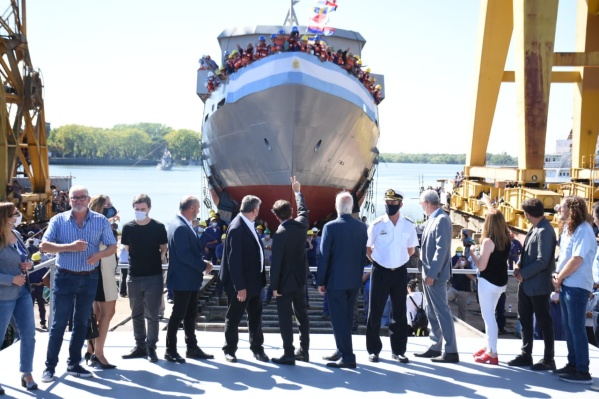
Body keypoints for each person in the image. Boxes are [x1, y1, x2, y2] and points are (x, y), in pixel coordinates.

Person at [39, 186, 117, 382]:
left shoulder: (100, 221)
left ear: (88, 199)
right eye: (75, 198)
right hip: (65, 277)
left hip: (90, 277)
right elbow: (44, 245)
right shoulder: (58, 220)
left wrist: (99, 254)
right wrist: (69, 247)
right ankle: (49, 367)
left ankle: (74, 364)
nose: (79, 201)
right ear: (70, 200)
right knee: (58, 324)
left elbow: (112, 245)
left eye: (82, 197)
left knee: (81, 323)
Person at [365, 188, 418, 364]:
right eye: (387, 202)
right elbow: (368, 249)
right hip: (380, 271)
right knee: (375, 311)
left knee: (399, 312)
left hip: (400, 272)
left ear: (401, 204)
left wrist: (397, 261)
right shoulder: (377, 224)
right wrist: (380, 263)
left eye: (394, 203)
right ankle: (373, 350)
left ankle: (399, 350)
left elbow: (411, 250)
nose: (390, 205)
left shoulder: (409, 225)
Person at [317, 192, 368, 369]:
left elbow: (324, 257)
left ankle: (347, 356)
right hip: (354, 281)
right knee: (346, 318)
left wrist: (321, 281)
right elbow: (364, 256)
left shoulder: (330, 227)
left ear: (337, 207)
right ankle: (341, 349)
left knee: (338, 318)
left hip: (335, 281)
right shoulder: (362, 227)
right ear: (352, 206)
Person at [508, 198, 557, 370]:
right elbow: (527, 252)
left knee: (544, 322)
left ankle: (549, 359)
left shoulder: (545, 231)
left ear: (528, 214)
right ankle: (526, 354)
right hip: (527, 285)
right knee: (525, 320)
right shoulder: (535, 228)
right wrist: (519, 264)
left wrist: (523, 274)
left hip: (537, 286)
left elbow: (542, 261)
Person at [551, 196, 596, 384]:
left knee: (576, 328)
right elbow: (566, 257)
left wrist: (559, 277)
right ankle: (573, 364)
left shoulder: (584, 231)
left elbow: (577, 259)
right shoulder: (572, 230)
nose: (558, 210)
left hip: (576, 286)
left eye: (561, 207)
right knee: (569, 328)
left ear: (572, 209)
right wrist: (559, 276)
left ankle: (582, 370)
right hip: (568, 284)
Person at [219, 195, 269, 363]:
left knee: (256, 316)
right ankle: (229, 349)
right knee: (234, 317)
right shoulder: (237, 228)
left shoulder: (249, 224)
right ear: (254, 210)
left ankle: (257, 348)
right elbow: (234, 261)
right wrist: (240, 287)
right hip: (241, 285)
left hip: (254, 282)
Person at [166, 196, 214, 363]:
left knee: (190, 313)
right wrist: (203, 265)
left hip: (188, 279)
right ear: (192, 208)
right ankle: (170, 349)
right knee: (179, 314)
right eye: (198, 207)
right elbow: (184, 254)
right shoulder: (180, 226)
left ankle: (191, 347)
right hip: (183, 279)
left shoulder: (178, 223)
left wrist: (202, 263)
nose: (199, 210)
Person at [120, 194, 168, 363]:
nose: (140, 212)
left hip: (153, 276)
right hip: (134, 276)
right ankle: (140, 345)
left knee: (153, 314)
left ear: (149, 209)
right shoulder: (128, 227)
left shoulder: (158, 227)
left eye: (143, 209)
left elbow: (163, 248)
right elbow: (126, 247)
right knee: (136, 313)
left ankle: (151, 347)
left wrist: (154, 259)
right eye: (137, 209)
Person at [269, 177, 310, 365]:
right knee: (302, 316)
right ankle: (305, 351)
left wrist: (274, 287)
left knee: (285, 319)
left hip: (284, 284)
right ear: (291, 212)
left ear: (276, 216)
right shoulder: (302, 225)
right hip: (301, 281)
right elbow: (304, 211)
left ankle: (289, 353)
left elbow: (276, 263)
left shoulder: (279, 235)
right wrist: (297, 192)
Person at [416, 189, 459, 363]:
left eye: (421, 204)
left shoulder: (441, 219)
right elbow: (420, 231)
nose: (421, 207)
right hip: (428, 273)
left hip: (435, 275)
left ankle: (451, 351)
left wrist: (432, 273)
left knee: (442, 311)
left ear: (426, 203)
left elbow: (441, 250)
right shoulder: (433, 219)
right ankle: (435, 346)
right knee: (431, 311)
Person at [0, 202, 37, 391]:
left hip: (23, 293)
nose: (18, 215)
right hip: (3, 296)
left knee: (29, 334)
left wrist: (28, 265)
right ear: (5, 217)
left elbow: (24, 258)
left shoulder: (17, 235)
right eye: (15, 213)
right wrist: (10, 279)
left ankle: (27, 373)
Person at [469, 202, 510, 365]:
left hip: (488, 283)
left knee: (488, 317)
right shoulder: (506, 239)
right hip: (501, 283)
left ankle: (492, 353)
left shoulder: (488, 242)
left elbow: (481, 266)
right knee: (491, 315)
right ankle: (488, 346)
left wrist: (472, 253)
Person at [83, 195, 119, 369]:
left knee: (97, 314)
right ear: (99, 207)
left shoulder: (92, 223)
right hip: (103, 273)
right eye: (108, 205)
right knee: (107, 313)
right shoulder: (101, 224)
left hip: (100, 272)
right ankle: (99, 353)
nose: (111, 208)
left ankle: (91, 349)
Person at [447, 248, 474, 322]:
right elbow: (449, 275)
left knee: (462, 310)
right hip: (454, 288)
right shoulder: (456, 266)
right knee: (444, 300)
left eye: (463, 260)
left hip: (464, 291)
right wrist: (456, 266)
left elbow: (472, 277)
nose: (461, 261)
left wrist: (463, 269)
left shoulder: (468, 267)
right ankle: (446, 317)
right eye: (460, 260)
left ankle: (462, 323)